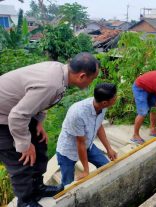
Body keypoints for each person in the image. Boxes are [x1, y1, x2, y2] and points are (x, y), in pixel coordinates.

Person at [0, 52, 99, 207]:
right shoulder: (51, 84)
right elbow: (16, 116)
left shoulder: (60, 73)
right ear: (82, 76)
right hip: (4, 117)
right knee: (20, 159)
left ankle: (37, 188)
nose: (91, 83)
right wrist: (24, 145)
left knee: (39, 146)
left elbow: (41, 101)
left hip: (17, 111)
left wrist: (38, 122)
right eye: (92, 79)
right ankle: (25, 201)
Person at [56, 83, 118, 187]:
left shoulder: (102, 106)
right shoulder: (77, 113)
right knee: (69, 186)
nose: (116, 98)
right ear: (104, 102)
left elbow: (99, 126)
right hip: (68, 151)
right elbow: (80, 143)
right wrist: (86, 170)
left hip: (87, 145)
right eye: (114, 98)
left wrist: (109, 149)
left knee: (106, 166)